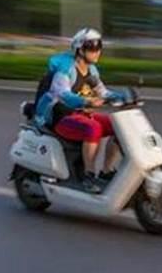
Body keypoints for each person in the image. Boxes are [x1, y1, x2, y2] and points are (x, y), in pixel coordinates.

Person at [34, 28, 124, 193]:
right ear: (80, 50)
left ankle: (106, 172)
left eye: (99, 46)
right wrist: (85, 100)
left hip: (82, 115)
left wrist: (123, 96)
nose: (97, 51)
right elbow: (62, 94)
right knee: (93, 128)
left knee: (119, 126)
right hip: (62, 117)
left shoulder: (91, 71)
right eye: (92, 47)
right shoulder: (66, 69)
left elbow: (103, 92)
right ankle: (87, 176)